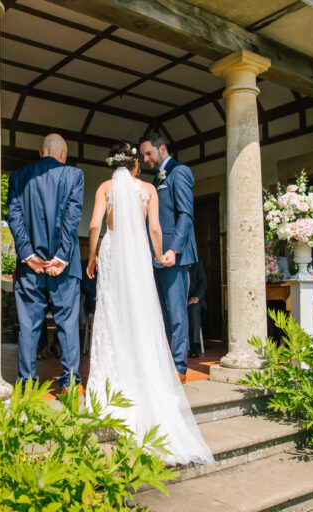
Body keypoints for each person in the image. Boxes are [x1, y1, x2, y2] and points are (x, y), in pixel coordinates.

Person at [85, 141, 213, 466]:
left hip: (113, 251)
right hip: (140, 253)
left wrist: (92, 256)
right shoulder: (148, 190)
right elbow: (154, 227)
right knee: (142, 313)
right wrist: (157, 254)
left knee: (112, 315)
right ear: (135, 166)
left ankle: (110, 389)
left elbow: (94, 225)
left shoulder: (104, 188)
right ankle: (147, 379)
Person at [8, 133, 84, 393]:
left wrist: (29, 255)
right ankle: (70, 384)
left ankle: (27, 385)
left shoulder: (18, 176)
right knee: (67, 323)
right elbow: (72, 218)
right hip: (65, 267)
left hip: (30, 268)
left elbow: (14, 215)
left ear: (42, 152)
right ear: (63, 155)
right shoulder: (74, 175)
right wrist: (61, 257)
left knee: (29, 327)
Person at [139, 132, 198, 383]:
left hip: (174, 256)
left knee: (176, 314)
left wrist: (173, 249)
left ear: (162, 148)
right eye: (143, 156)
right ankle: (164, 364)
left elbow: (185, 214)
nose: (145, 159)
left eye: (148, 153)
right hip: (157, 257)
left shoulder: (180, 172)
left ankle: (179, 367)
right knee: (161, 314)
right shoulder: (157, 177)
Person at [187, 259, 207, 358]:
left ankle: (194, 347)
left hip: (194, 299)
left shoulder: (197, 263)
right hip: (180, 300)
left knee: (194, 310)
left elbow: (203, 283)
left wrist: (196, 297)